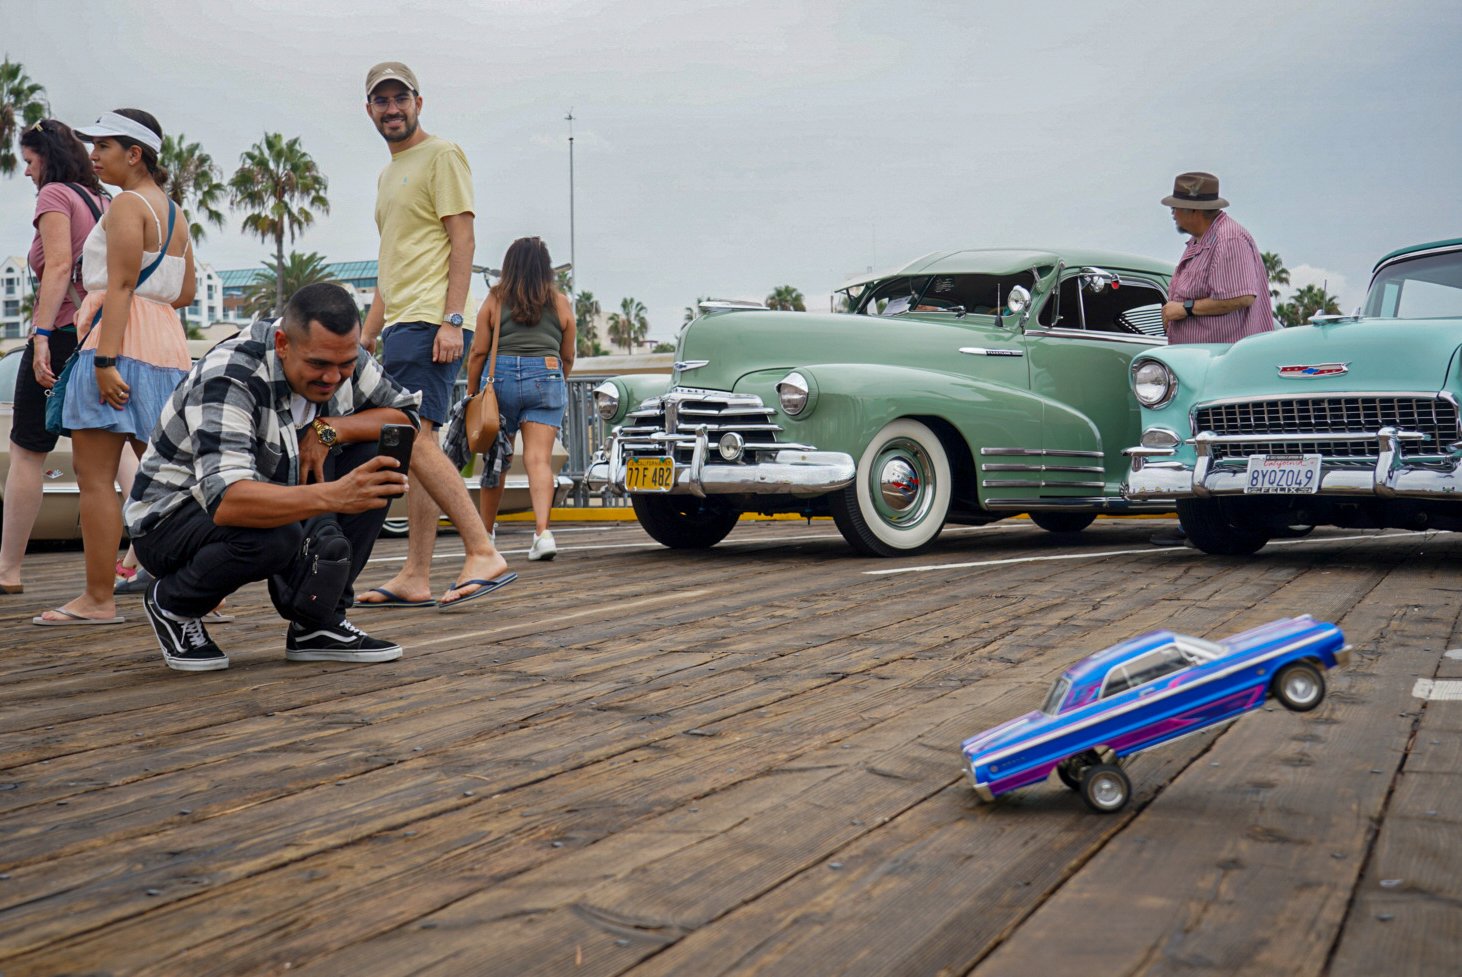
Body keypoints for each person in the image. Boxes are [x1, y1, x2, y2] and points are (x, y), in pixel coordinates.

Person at [126, 283, 427, 671]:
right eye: (319, 365)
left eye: (346, 364)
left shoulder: (340, 355)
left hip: (268, 498)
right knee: (276, 534)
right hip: (170, 520)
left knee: (378, 457)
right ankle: (174, 604)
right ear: (283, 343)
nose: (334, 378)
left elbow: (406, 417)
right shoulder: (230, 376)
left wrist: (329, 430)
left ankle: (318, 622)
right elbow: (228, 500)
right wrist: (334, 496)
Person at [30, 110, 194, 626]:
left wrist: (103, 360)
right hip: (169, 345)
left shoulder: (126, 204)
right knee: (170, 476)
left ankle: (98, 599)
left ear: (135, 153)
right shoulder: (174, 211)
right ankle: (205, 589)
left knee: (96, 477)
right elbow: (185, 292)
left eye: (103, 146)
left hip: (120, 340)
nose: (93, 155)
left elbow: (120, 287)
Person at [356, 61, 510, 609]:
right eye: (382, 100)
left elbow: (462, 241)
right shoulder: (387, 174)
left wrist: (451, 319)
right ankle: (416, 575)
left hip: (430, 321)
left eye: (401, 98)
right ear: (369, 109)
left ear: (419, 102)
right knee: (414, 445)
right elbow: (390, 266)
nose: (392, 109)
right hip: (401, 323)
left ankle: (481, 550)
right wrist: (365, 338)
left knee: (412, 438)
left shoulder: (442, 154)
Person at [0, 120, 109, 595]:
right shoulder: (104, 200)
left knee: (27, 451)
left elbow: (59, 265)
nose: (26, 172)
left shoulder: (55, 197)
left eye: (28, 161)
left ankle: (7, 570)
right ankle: (138, 558)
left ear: (47, 156)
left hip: (63, 330)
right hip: (104, 335)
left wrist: (41, 335)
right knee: (114, 450)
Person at [1151, 171, 1276, 547]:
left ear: (1194, 209)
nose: (1172, 214)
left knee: (1227, 442)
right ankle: (1199, 521)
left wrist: (1183, 310)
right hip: (1202, 363)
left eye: (1176, 208)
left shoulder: (1229, 239)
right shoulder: (1202, 241)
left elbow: (1242, 297)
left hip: (1228, 361)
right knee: (1200, 439)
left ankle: (1230, 521)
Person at [466, 237, 576, 559]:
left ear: (509, 266)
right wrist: (554, 382)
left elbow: (478, 351)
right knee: (539, 460)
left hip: (499, 380)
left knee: (497, 460)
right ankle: (543, 535)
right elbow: (567, 355)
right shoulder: (560, 302)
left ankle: (486, 536)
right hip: (547, 373)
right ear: (546, 268)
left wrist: (473, 394)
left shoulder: (495, 299)